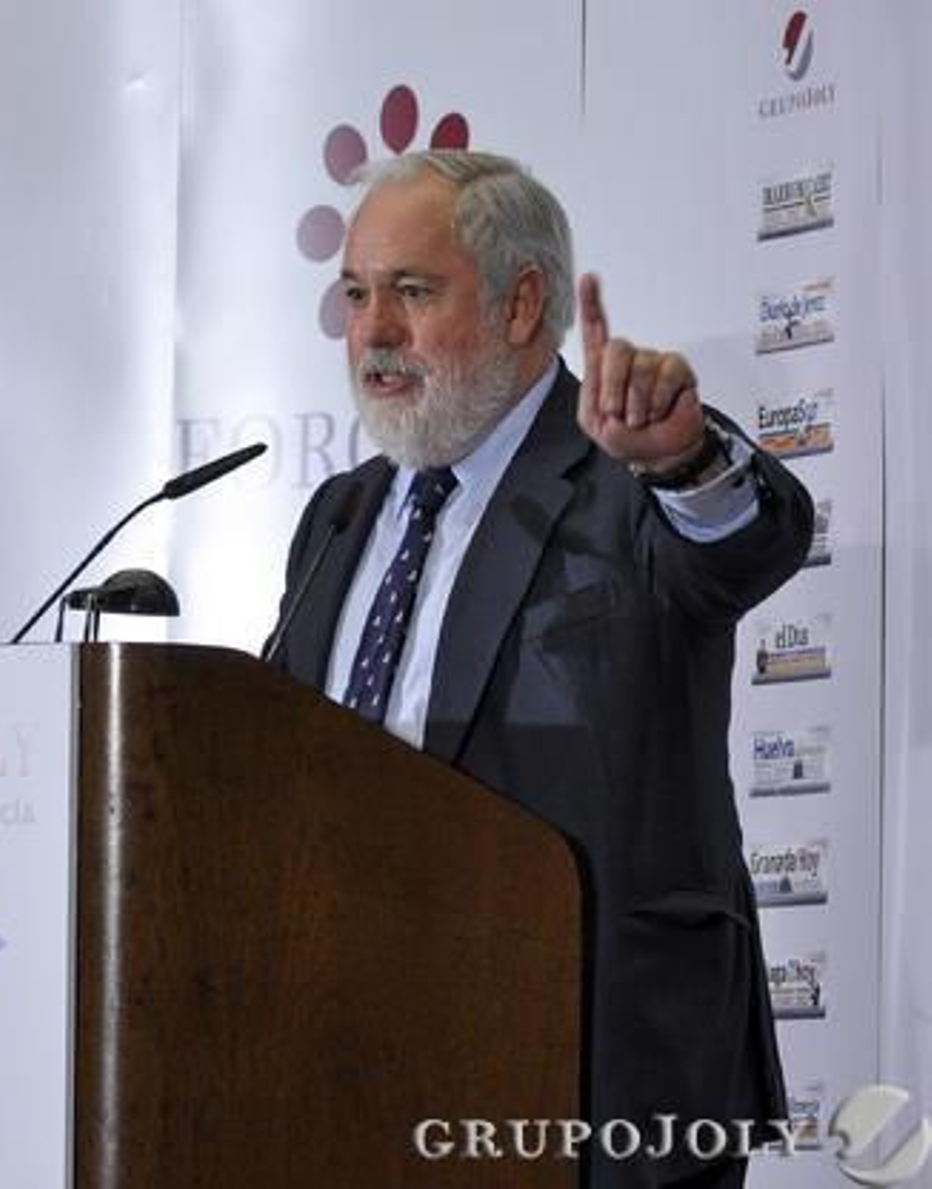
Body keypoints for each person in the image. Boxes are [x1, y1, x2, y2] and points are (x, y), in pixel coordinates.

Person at [269, 150, 813, 1188]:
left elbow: (749, 539)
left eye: (411, 292)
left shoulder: (628, 476)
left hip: (604, 1068)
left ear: (523, 305)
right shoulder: (338, 515)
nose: (371, 331)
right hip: (362, 1068)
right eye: (354, 293)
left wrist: (685, 462)